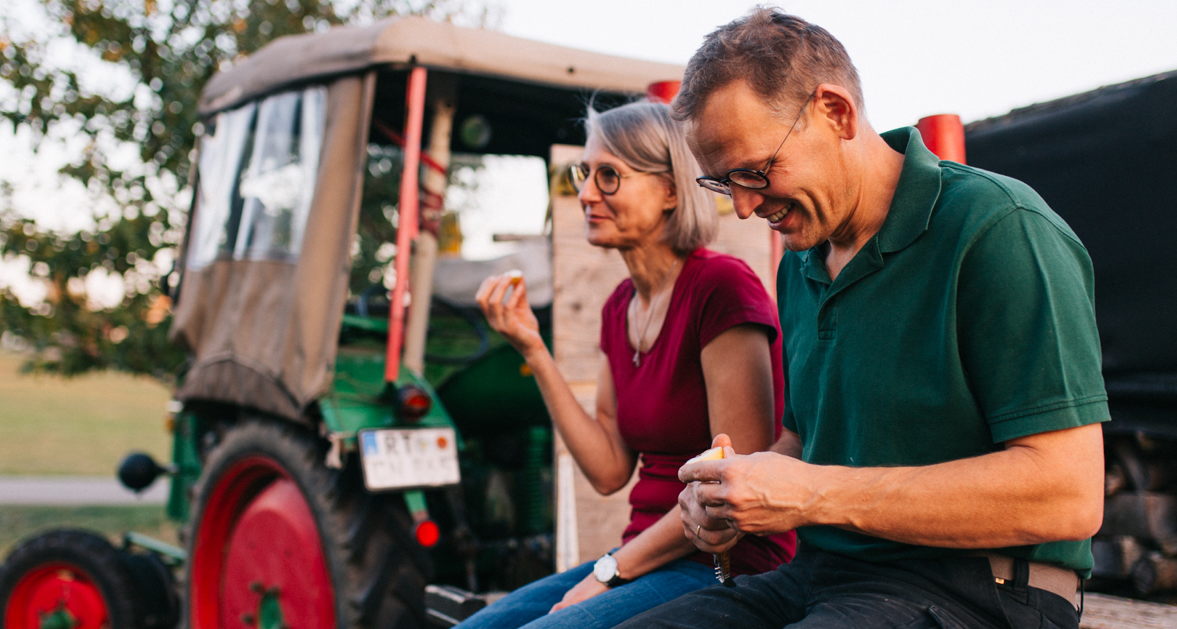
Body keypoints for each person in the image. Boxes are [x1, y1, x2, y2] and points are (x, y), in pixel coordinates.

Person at [614, 9, 1108, 629]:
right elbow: (803, 441)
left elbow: (1068, 495)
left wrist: (810, 494)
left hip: (983, 587)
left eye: (755, 171)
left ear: (836, 112)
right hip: (819, 574)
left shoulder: (999, 227)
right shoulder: (799, 261)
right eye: (722, 183)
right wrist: (731, 498)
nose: (742, 207)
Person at [467, 100, 796, 629]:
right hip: (643, 557)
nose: (586, 194)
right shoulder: (620, 306)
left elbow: (731, 483)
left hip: (726, 564)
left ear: (670, 189)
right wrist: (534, 349)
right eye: (584, 174)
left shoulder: (720, 289)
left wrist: (608, 572)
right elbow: (607, 470)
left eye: (609, 176)